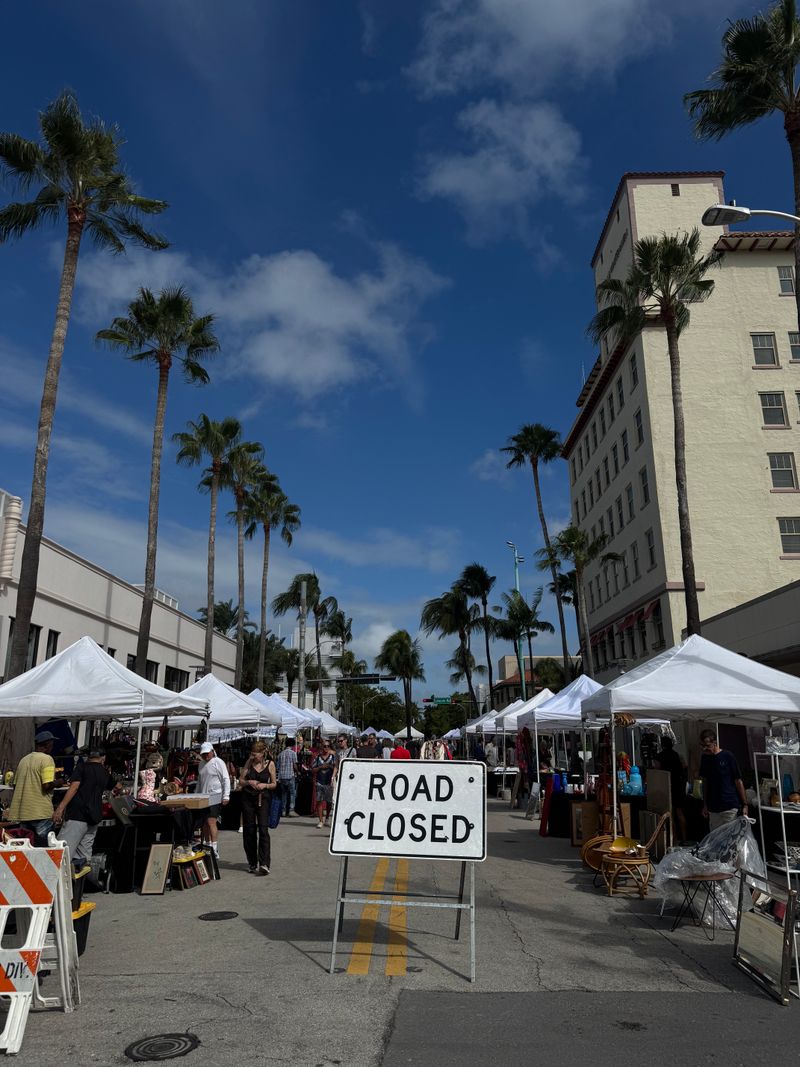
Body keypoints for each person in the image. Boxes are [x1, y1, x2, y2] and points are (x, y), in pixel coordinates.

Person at [53, 748, 117, 865]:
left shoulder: (82, 767)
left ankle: (58, 882)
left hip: (78, 814)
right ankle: (79, 882)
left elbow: (74, 787)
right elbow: (117, 786)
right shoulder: (104, 772)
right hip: (94, 817)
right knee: (83, 858)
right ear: (102, 758)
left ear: (88, 757)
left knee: (61, 854)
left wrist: (60, 808)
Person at [8, 731, 57, 844]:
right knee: (43, 849)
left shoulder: (23, 760)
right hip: (41, 813)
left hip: (24, 813)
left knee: (27, 849)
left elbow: (15, 785)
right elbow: (47, 785)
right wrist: (58, 782)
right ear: (47, 745)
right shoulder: (47, 759)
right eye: (52, 744)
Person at [239, 741, 276, 875]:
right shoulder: (249, 763)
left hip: (263, 799)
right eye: (252, 754)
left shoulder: (270, 764)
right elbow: (240, 781)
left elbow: (274, 783)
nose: (253, 757)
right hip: (248, 798)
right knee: (249, 830)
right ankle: (252, 862)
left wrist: (264, 786)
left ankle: (264, 863)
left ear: (262, 753)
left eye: (256, 755)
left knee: (263, 829)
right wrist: (249, 781)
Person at [699, 729, 748, 830]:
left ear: (715, 743)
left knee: (730, 839)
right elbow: (705, 781)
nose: (705, 748)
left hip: (729, 805)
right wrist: (705, 804)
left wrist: (745, 804)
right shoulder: (705, 758)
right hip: (713, 808)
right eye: (702, 745)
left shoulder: (728, 756)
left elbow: (738, 781)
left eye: (707, 746)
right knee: (715, 839)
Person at [197, 742, 230, 856]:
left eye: (207, 753)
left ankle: (214, 847)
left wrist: (226, 796)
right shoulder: (201, 764)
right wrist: (197, 794)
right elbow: (200, 781)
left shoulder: (218, 762)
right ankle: (207, 845)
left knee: (211, 821)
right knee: (204, 823)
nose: (206, 756)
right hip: (203, 796)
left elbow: (226, 779)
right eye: (203, 754)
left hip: (215, 796)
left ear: (212, 751)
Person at [655, 736, 688, 841]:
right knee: (680, 813)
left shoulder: (659, 756)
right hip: (679, 786)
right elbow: (684, 767)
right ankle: (684, 838)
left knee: (670, 814)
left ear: (662, 745)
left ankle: (674, 839)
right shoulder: (676, 755)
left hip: (667, 785)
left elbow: (658, 771)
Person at [313, 740, 336, 827]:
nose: (326, 748)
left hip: (329, 782)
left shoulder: (333, 757)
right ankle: (320, 821)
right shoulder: (318, 757)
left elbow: (336, 768)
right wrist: (320, 767)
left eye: (327, 746)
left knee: (329, 802)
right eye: (324, 746)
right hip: (320, 781)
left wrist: (329, 766)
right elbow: (313, 769)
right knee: (319, 801)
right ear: (322, 747)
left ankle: (327, 818)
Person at [276, 736, 298, 817]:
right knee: (292, 793)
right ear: (293, 745)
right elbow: (294, 765)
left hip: (282, 777)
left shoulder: (280, 754)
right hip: (290, 776)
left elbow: (277, 767)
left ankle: (283, 811)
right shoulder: (293, 753)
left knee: (284, 794)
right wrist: (297, 772)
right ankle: (291, 810)